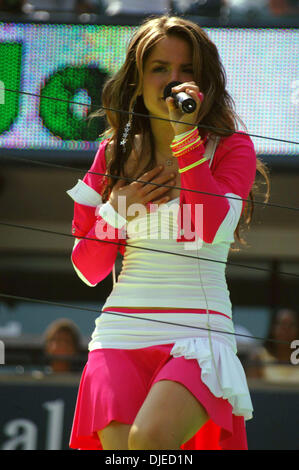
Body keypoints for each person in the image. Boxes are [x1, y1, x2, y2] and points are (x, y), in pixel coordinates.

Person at [66, 15, 270, 450]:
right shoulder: (112, 152)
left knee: (149, 443)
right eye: (159, 68)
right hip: (119, 334)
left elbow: (202, 229)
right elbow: (88, 268)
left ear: (205, 81)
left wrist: (186, 139)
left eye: (187, 70)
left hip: (197, 332)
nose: (173, 81)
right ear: (137, 81)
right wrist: (118, 210)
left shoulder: (231, 147)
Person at [246, 308, 299, 383]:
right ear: (273, 329)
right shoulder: (258, 357)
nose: (286, 330)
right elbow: (253, 392)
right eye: (282, 324)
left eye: (291, 325)